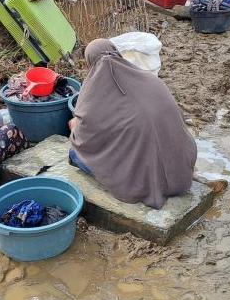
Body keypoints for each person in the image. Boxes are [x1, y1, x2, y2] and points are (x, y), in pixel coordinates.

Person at [68, 39, 197, 210]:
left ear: (89, 63)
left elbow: (85, 140)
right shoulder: (151, 80)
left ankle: (139, 181)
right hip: (181, 172)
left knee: (75, 153)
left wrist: (74, 127)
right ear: (117, 54)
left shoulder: (93, 95)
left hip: (142, 182)